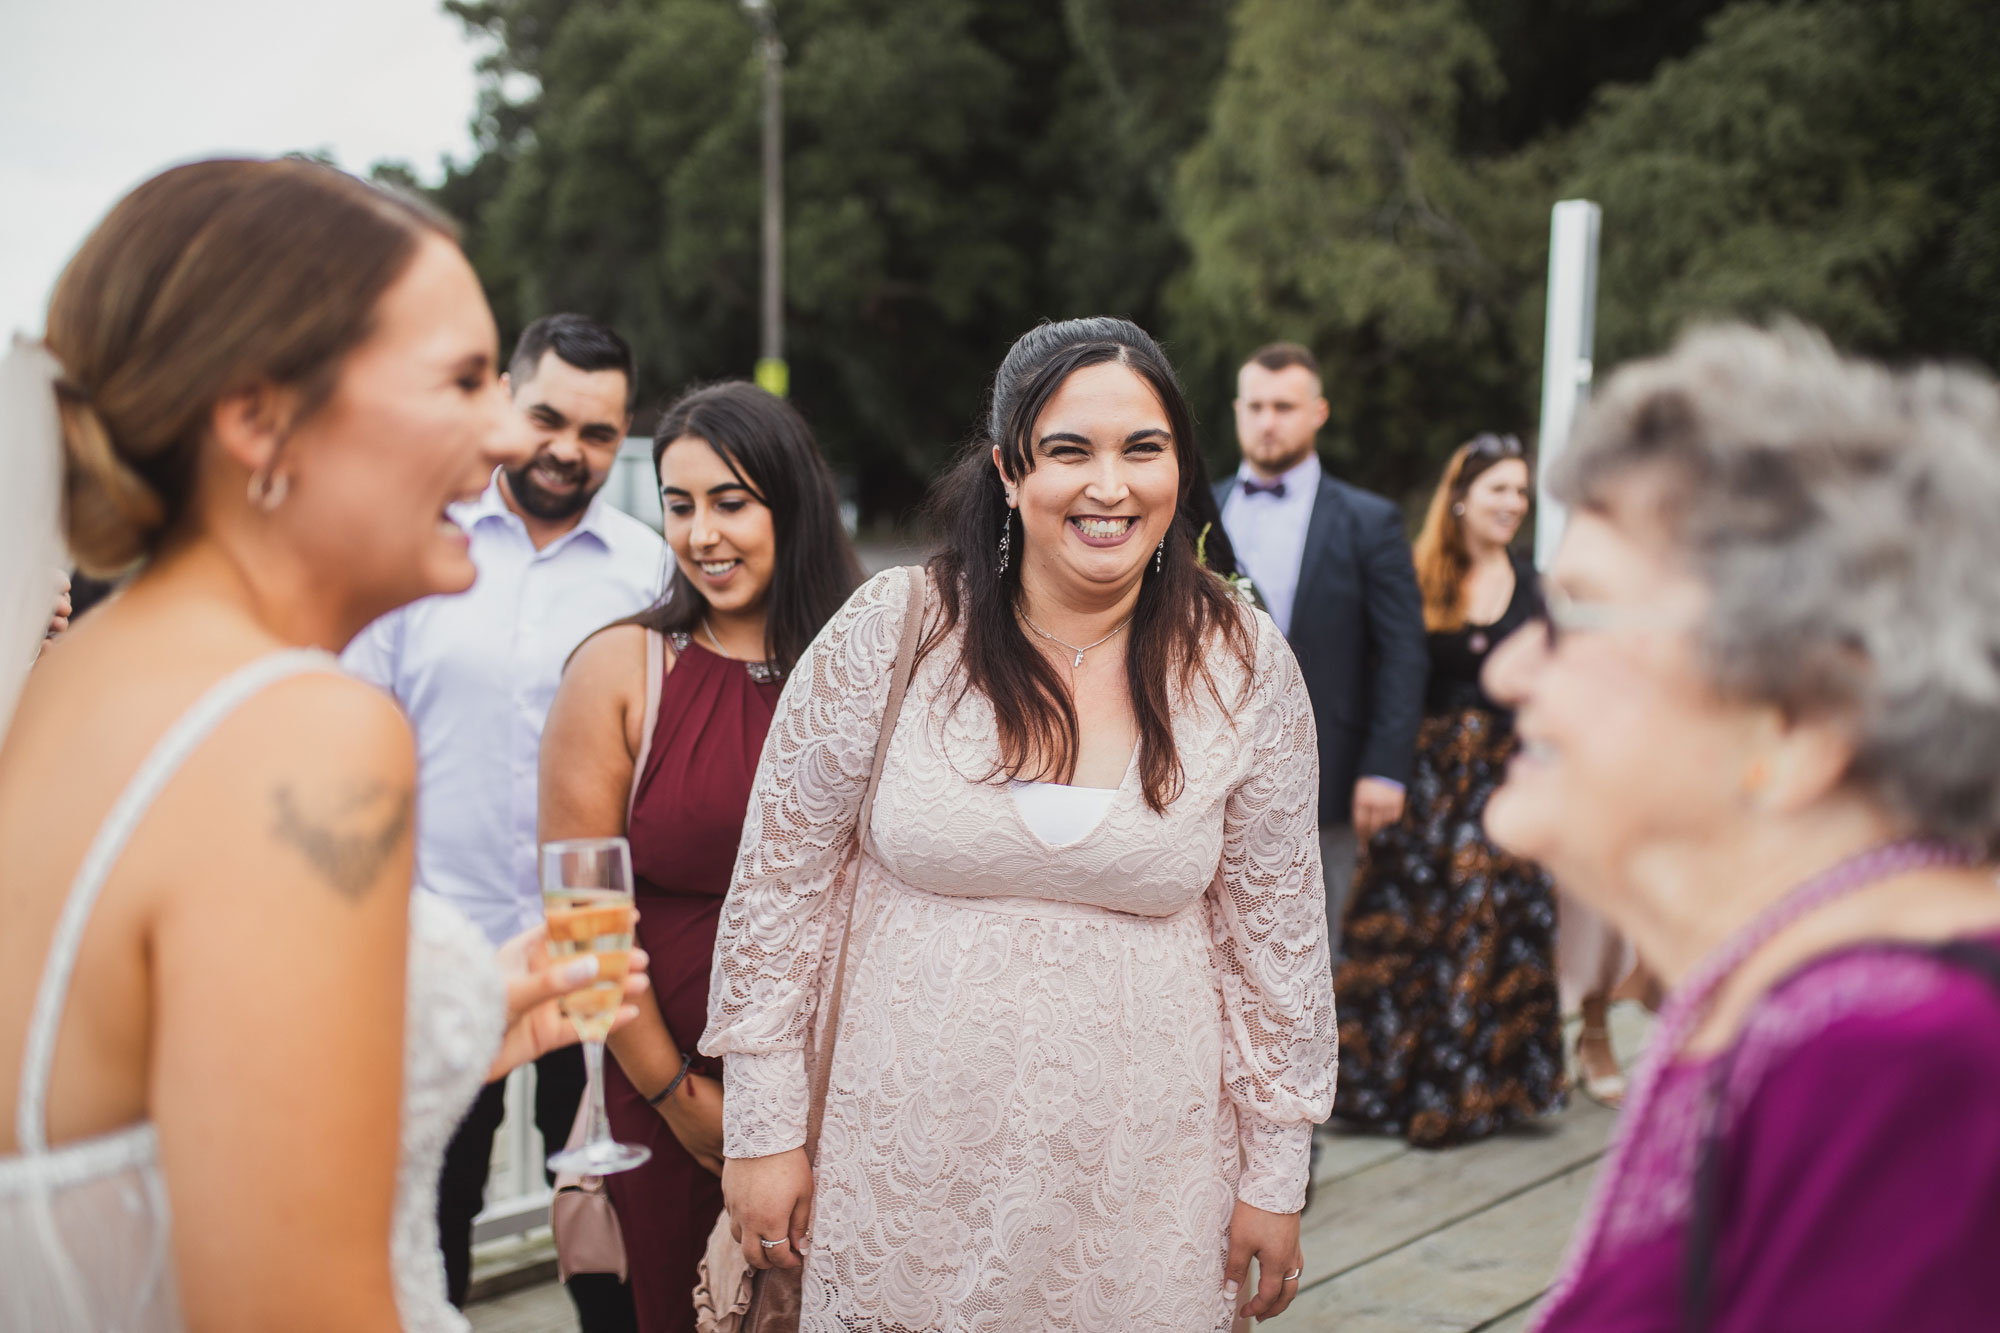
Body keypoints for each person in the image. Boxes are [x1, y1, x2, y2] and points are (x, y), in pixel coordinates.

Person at [0, 158, 642, 1333]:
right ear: (258, 419)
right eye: (458, 380)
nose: (506, 433)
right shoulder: (306, 731)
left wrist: (467, 1013)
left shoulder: (81, 677)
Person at [703, 316, 1336, 1331]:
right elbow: (777, 895)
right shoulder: (896, 630)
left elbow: (1278, 944)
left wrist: (1275, 1174)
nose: (1108, 486)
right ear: (1008, 470)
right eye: (1068, 450)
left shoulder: (1243, 664)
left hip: (1147, 1196)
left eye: (1143, 448)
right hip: (899, 1182)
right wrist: (763, 1130)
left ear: (1180, 463)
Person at [1482, 324, 2000, 1330]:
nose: (1507, 669)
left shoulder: (1905, 1058)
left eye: (1576, 614)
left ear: (1798, 719)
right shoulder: (1801, 1005)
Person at [342, 312, 664, 1326]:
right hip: (444, 952)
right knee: (428, 1213)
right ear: (505, 403)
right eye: (548, 418)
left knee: (609, 1220)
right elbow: (356, 744)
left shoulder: (648, 572)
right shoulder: (416, 551)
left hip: (600, 957)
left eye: (599, 433)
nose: (570, 450)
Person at [539, 381, 862, 1332]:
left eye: (731, 501)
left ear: (791, 502)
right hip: (669, 1091)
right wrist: (679, 1099)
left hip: (850, 1093)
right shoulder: (620, 669)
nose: (702, 534)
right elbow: (581, 919)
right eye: (679, 506)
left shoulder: (872, 667)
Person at [1331, 433, 1566, 1146]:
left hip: (1502, 774)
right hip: (1427, 773)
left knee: (1483, 901)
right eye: (1500, 488)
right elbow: (1387, 676)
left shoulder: (1534, 586)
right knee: (1408, 917)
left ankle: (1467, 1090)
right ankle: (1382, 1085)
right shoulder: (1416, 575)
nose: (1513, 504)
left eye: (1521, 492)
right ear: (1460, 496)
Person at [1215, 342, 1427, 947]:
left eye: (1284, 405)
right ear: (1237, 410)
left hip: (1332, 776)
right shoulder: (1193, 509)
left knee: (1319, 950)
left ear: (1318, 412)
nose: (1268, 420)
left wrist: (1386, 767)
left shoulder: (1370, 520)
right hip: (1211, 771)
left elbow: (1403, 652)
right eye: (1255, 405)